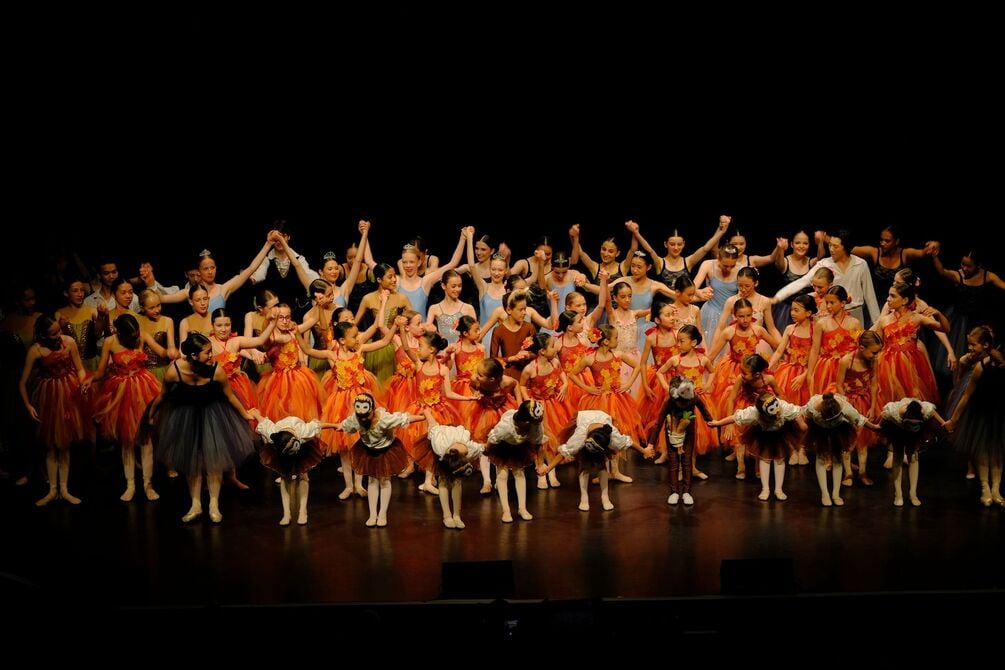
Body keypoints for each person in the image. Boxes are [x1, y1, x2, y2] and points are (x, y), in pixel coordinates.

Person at [148, 333, 257, 523]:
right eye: (207, 353)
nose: (211, 355)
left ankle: (213, 505)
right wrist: (151, 414)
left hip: (213, 415)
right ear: (193, 355)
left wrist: (245, 414)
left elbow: (230, 396)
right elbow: (163, 395)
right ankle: (195, 505)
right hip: (186, 417)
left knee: (214, 463)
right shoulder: (175, 370)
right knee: (193, 463)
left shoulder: (216, 369)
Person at [18, 316, 92, 506]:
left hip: (69, 392)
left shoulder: (69, 342)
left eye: (59, 330)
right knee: (51, 445)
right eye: (53, 333)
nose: (59, 335)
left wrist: (83, 383)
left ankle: (64, 489)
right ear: (43, 335)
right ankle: (52, 490)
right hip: (49, 395)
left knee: (65, 444)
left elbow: (80, 369)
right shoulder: (36, 350)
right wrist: (28, 405)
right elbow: (22, 383)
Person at [331, 392, 425, 527]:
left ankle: (382, 514)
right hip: (369, 450)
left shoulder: (384, 419)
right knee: (372, 480)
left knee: (384, 480)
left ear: (372, 411)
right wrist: (339, 426)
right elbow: (346, 425)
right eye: (361, 417)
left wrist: (423, 417)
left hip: (386, 450)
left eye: (366, 416)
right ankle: (373, 514)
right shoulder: (357, 419)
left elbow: (404, 418)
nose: (363, 419)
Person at [540, 409, 654, 511]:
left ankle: (605, 497)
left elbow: (629, 443)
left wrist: (645, 451)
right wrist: (548, 468)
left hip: (601, 421)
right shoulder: (580, 436)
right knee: (584, 466)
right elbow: (563, 453)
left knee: (601, 466)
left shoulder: (613, 437)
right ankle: (584, 496)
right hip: (585, 422)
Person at [709, 393, 807, 501]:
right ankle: (765, 489)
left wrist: (801, 423)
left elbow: (796, 411)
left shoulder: (783, 406)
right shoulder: (754, 413)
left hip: (779, 433)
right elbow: (735, 417)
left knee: (779, 459)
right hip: (764, 434)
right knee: (765, 459)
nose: (777, 412)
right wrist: (718, 423)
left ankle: (778, 489)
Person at [773, 230, 881, 327]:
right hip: (832, 314)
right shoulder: (824, 264)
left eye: (835, 246)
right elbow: (803, 281)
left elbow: (869, 295)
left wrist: (877, 324)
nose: (831, 249)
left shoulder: (860, 264)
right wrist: (778, 297)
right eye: (830, 245)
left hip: (855, 314)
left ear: (845, 247)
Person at [251, 411, 334, 526]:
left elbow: (319, 425)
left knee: (303, 475)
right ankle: (286, 513)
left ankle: (303, 511)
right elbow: (263, 421)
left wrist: (336, 425)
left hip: (302, 446)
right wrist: (255, 413)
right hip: (283, 446)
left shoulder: (303, 432)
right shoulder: (272, 434)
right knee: (284, 477)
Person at [803, 392, 880, 506]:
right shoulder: (813, 406)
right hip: (820, 428)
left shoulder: (846, 408)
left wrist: (874, 427)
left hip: (838, 429)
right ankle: (825, 494)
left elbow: (859, 419)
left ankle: (836, 494)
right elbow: (806, 417)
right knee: (821, 458)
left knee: (837, 458)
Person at [412, 409, 485, 529]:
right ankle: (446, 515)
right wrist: (426, 412)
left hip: (457, 439)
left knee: (457, 482)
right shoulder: (439, 446)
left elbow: (485, 447)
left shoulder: (471, 450)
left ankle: (457, 515)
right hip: (444, 439)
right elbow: (433, 425)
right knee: (444, 480)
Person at [646, 376, 713, 506]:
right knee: (673, 460)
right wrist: (651, 444)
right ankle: (674, 492)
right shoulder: (669, 401)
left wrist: (711, 421)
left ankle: (687, 492)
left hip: (688, 431)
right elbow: (659, 422)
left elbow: (703, 410)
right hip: (672, 431)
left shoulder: (694, 398)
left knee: (687, 460)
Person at [485, 399, 550, 523]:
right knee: (502, 474)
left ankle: (522, 508)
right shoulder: (506, 426)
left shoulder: (535, 426)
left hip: (519, 447)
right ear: (525, 421)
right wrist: (486, 451)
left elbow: (539, 444)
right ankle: (506, 510)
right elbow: (492, 438)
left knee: (519, 473)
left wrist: (540, 464)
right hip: (503, 445)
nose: (536, 424)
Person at [879, 398, 948, 507]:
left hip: (917, 432)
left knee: (913, 456)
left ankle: (913, 493)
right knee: (898, 456)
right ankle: (898, 493)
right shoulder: (894, 412)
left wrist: (943, 422)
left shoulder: (924, 411)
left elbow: (932, 412)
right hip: (898, 428)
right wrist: (877, 426)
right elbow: (884, 415)